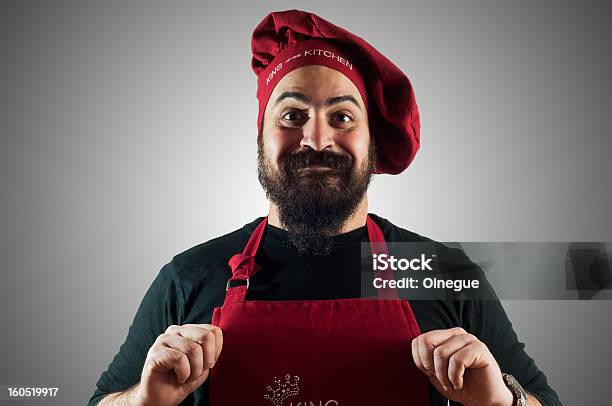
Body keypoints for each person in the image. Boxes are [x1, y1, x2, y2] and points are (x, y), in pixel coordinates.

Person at [89, 9, 562, 406]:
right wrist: (141, 401)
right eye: (293, 115)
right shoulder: (190, 277)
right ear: (261, 137)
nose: (317, 139)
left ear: (372, 142)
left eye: (342, 116)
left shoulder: (439, 272)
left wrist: (504, 400)